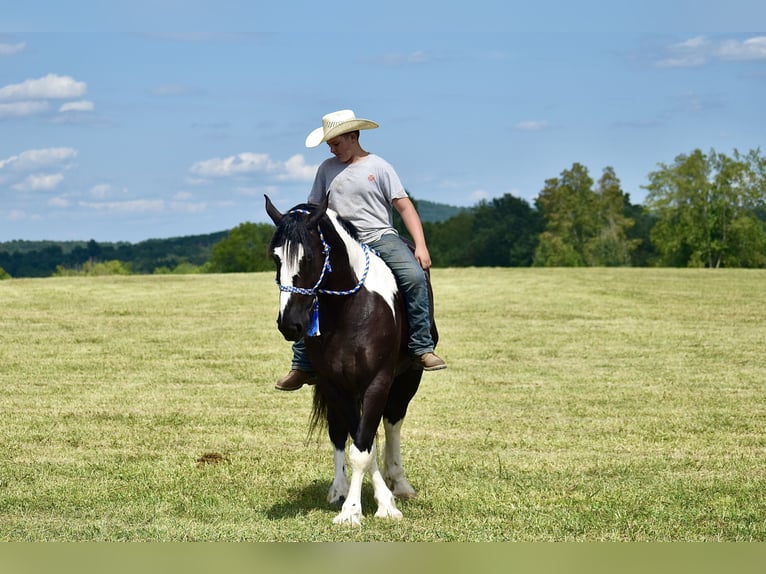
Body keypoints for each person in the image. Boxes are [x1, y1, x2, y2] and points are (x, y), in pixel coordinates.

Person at [275, 109, 447, 391]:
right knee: (310, 289)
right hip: (340, 245)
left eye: (337, 143)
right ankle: (302, 364)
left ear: (353, 137)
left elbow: (404, 206)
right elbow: (314, 210)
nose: (332, 149)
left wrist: (421, 246)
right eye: (329, 145)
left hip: (379, 237)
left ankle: (421, 348)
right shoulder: (326, 170)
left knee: (415, 278)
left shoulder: (379, 166)